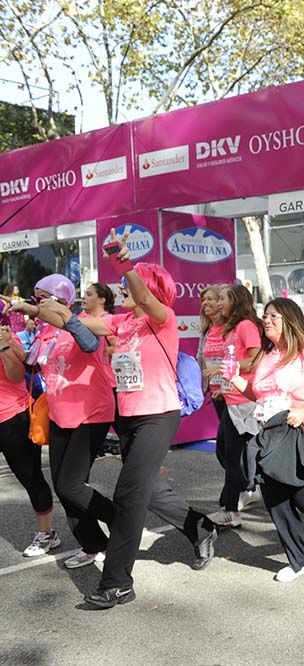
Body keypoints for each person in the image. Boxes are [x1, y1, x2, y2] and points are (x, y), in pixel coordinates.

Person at [77, 233, 218, 608]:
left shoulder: (163, 320)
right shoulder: (124, 324)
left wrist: (126, 263)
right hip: (128, 418)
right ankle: (200, 526)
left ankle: (117, 583)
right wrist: (38, 309)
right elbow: (76, 321)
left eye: (131, 283)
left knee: (128, 494)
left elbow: (143, 297)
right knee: (148, 490)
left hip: (158, 416)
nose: (123, 288)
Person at [223, 298, 304, 582]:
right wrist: (236, 380)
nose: (267, 320)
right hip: (274, 437)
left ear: (290, 319)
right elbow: (259, 394)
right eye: (265, 316)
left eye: (274, 316)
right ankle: (301, 561)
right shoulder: (268, 355)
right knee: (275, 498)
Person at [19, 277, 116, 568]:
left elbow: (88, 345)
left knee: (71, 485)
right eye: (35, 299)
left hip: (91, 413)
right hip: (60, 414)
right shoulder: (45, 332)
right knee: (63, 486)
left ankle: (121, 520)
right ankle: (95, 544)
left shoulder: (84, 321)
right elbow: (29, 365)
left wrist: (57, 318)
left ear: (61, 300)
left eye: (42, 298)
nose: (37, 304)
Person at [202, 284, 263, 529]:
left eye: (224, 299)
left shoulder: (246, 326)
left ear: (235, 302)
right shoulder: (232, 328)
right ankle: (242, 493)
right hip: (231, 397)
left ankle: (231, 509)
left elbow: (255, 358)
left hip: (244, 400)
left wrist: (224, 369)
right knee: (226, 452)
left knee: (231, 454)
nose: (219, 303)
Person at [0, 321, 56, 557]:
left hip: (12, 418)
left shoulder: (8, 341)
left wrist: (3, 348)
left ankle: (47, 534)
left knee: (31, 477)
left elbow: (16, 376)